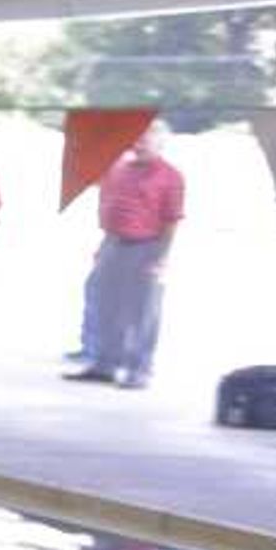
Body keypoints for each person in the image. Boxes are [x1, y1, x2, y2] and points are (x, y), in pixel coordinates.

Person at [68, 126, 185, 389]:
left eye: (145, 139)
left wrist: (162, 257)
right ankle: (105, 365)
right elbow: (110, 204)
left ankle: (139, 370)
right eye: (135, 139)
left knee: (142, 312)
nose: (138, 144)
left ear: (160, 142)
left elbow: (171, 220)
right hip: (113, 243)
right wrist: (103, 245)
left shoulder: (170, 176)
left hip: (147, 246)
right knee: (106, 306)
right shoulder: (120, 169)